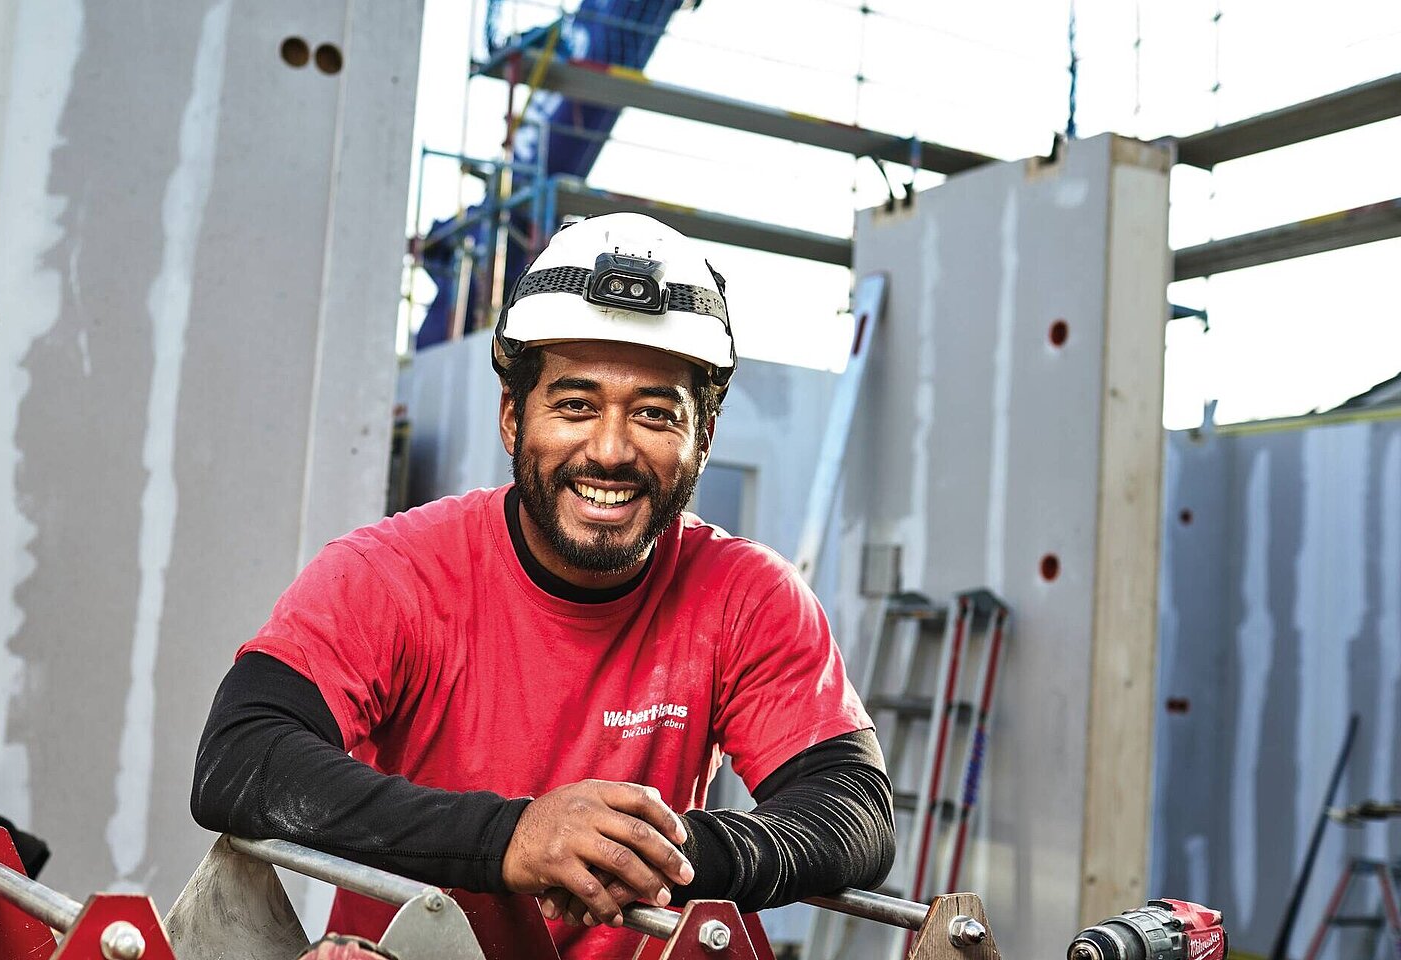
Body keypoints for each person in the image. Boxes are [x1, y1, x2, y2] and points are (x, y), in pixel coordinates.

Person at [191, 213, 894, 959]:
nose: (612, 450)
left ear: (703, 439)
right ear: (512, 417)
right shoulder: (392, 574)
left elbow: (853, 810)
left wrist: (657, 852)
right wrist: (513, 837)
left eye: (655, 414)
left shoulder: (744, 594)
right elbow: (242, 755)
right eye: (575, 405)